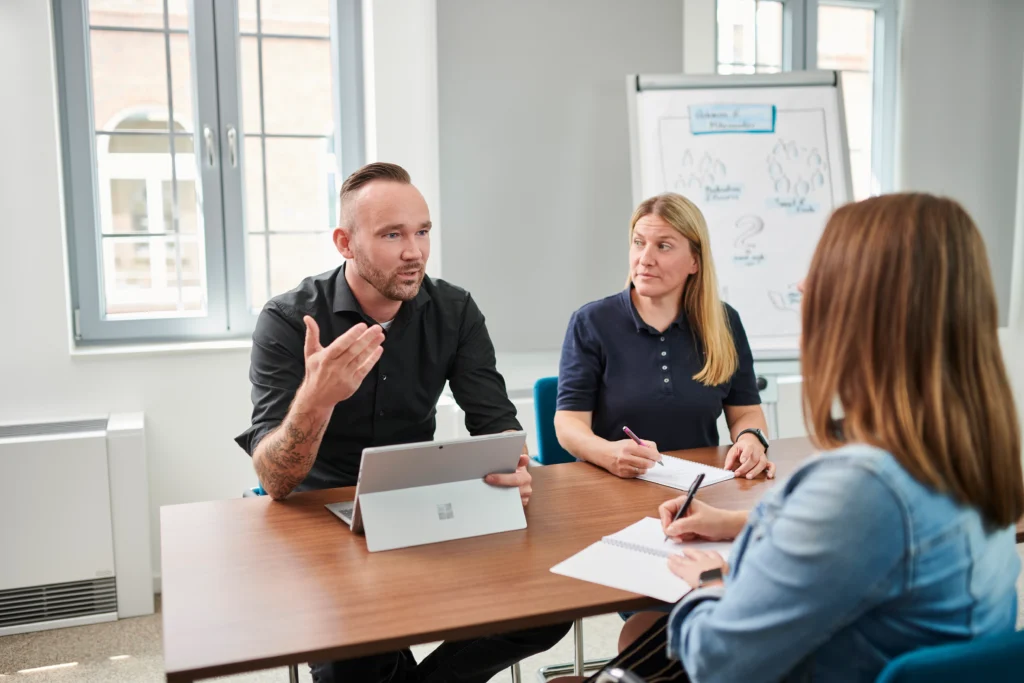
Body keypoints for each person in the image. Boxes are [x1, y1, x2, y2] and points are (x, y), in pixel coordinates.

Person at [552, 193, 1024, 683]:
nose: (802, 285)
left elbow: (718, 659)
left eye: (824, 269)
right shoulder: (963, 456)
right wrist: (735, 522)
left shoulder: (861, 488)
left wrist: (712, 581)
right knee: (644, 632)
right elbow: (852, 537)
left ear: (875, 309)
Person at [235, 162, 570, 683]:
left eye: (422, 232)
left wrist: (514, 467)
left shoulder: (454, 311)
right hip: (324, 525)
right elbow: (276, 481)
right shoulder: (287, 320)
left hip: (422, 509)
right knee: (359, 661)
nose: (414, 251)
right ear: (345, 243)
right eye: (392, 235)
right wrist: (317, 401)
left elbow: (497, 425)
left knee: (548, 608)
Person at [554, 193, 773, 480]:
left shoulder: (724, 322)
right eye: (638, 243)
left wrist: (750, 440)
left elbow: (746, 413)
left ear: (695, 261)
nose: (645, 259)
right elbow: (569, 423)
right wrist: (608, 454)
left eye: (664, 246)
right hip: (613, 484)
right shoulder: (591, 321)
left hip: (700, 485)